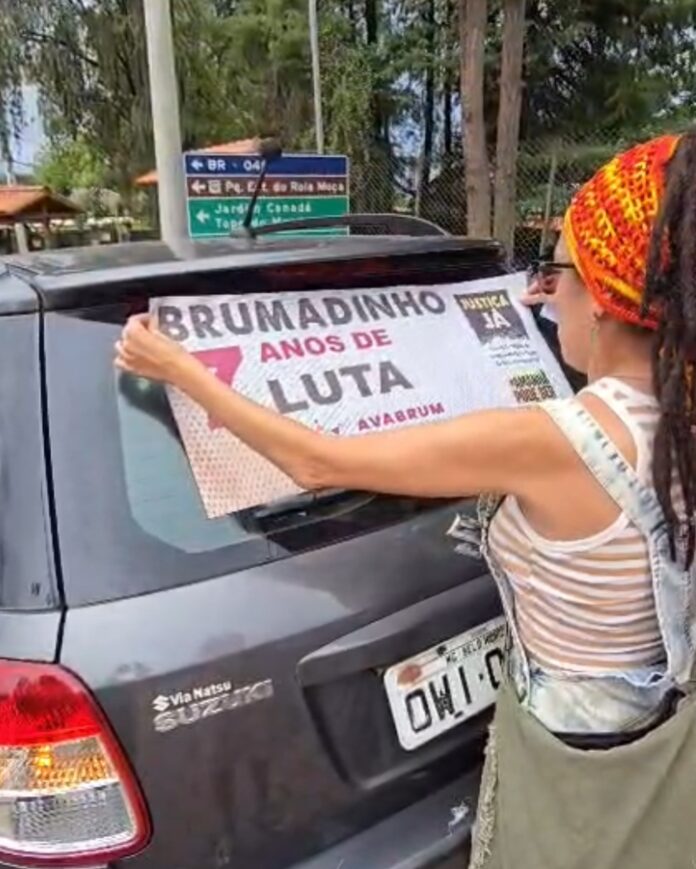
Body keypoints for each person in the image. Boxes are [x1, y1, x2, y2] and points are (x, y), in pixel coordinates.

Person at [117, 131, 696, 869]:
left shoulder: (552, 441)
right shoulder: (676, 415)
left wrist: (180, 369)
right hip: (649, 721)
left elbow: (315, 461)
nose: (547, 291)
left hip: (571, 744)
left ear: (608, 300)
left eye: (559, 271)